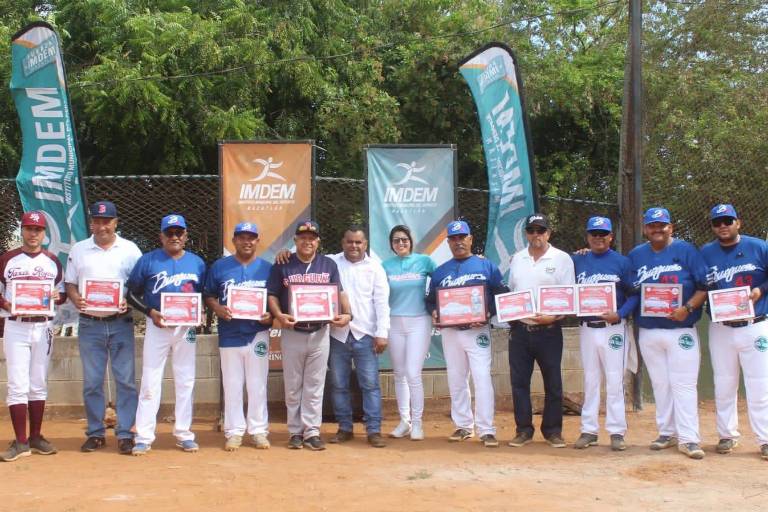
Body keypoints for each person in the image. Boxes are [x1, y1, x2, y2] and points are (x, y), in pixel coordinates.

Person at [629, 207, 708, 460]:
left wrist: (687, 308)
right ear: (645, 229)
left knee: (683, 385)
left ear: (670, 228)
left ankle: (689, 438)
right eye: (652, 225)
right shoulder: (636, 255)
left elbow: (704, 286)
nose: (657, 229)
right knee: (661, 384)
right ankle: (666, 432)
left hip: (681, 329)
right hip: (649, 331)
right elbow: (628, 288)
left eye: (662, 225)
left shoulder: (686, 250)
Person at [64, 201, 142, 455]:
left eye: (106, 221)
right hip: (90, 324)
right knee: (92, 382)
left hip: (121, 323)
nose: (101, 226)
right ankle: (96, 433)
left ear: (116, 222)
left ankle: (125, 434)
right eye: (97, 221)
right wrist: (76, 299)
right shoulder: (79, 249)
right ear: (91, 224)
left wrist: (127, 301)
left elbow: (139, 286)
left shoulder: (130, 250)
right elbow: (70, 284)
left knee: (126, 381)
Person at [267, 220, 350, 451]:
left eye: (312, 237)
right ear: (295, 241)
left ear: (318, 241)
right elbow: (272, 294)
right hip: (292, 331)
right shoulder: (283, 263)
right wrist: (279, 315)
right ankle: (295, 432)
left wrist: (348, 314)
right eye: (303, 237)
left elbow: (339, 292)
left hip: (320, 331)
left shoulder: (328, 264)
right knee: (293, 385)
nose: (307, 241)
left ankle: (312, 431)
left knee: (315, 384)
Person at [126, 214, 206, 456]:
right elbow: (130, 294)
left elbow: (204, 295)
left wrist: (201, 313)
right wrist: (150, 312)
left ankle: (183, 433)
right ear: (161, 236)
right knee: (151, 379)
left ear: (185, 236)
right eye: (169, 233)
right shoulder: (148, 261)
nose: (174, 237)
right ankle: (144, 436)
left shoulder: (197, 263)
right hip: (157, 326)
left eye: (178, 232)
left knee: (186, 379)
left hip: (186, 329)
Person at [426, 220, 508, 448]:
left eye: (462, 237)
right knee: (456, 378)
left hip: (477, 331)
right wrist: (434, 312)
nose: (458, 242)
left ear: (470, 239)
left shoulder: (486, 267)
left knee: (482, 378)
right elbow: (430, 301)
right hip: (451, 332)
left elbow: (501, 293)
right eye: (453, 238)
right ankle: (463, 425)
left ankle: (486, 429)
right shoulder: (441, 271)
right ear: (448, 242)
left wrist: (488, 312)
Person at [700, 204, 768, 461]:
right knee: (724, 383)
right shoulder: (706, 252)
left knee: (760, 384)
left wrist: (761, 290)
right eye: (717, 222)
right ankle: (727, 435)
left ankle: (765, 439)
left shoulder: (759, 247)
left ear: (738, 222)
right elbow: (698, 283)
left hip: (756, 323)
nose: (723, 226)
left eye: (728, 221)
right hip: (722, 328)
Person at [0, 211, 65, 462]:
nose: (33, 233)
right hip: (16, 325)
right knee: (17, 384)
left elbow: (61, 294)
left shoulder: (52, 262)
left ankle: (36, 436)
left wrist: (55, 298)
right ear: (22, 230)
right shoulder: (7, 259)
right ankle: (21, 441)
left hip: (44, 326)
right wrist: (6, 305)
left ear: (44, 233)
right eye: (29, 228)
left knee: (38, 382)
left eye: (38, 229)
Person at [507, 213, 575, 449]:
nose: (536, 235)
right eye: (532, 230)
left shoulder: (562, 258)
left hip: (550, 331)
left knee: (553, 382)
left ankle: (553, 431)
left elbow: (569, 297)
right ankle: (523, 430)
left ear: (548, 233)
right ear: (526, 233)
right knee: (519, 383)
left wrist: (553, 317)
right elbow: (511, 294)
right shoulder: (517, 259)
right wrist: (512, 315)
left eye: (541, 230)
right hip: (520, 331)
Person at [204, 222, 273, 451]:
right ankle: (234, 431)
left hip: (257, 332)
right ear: (234, 241)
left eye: (251, 237)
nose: (247, 241)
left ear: (257, 241)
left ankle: (258, 430)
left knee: (257, 384)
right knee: (233, 384)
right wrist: (217, 308)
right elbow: (209, 295)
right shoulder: (220, 267)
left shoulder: (267, 268)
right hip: (230, 333)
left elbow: (275, 300)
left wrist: (270, 316)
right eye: (242, 237)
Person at [571, 216, 638, 451]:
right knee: (590, 380)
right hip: (587, 328)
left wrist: (620, 314)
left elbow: (634, 295)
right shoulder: (577, 260)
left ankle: (617, 431)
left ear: (611, 236)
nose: (598, 238)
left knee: (614, 381)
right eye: (594, 234)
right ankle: (588, 430)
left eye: (603, 234)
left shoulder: (622, 262)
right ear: (587, 237)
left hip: (613, 329)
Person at [327, 226, 390, 448]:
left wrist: (382, 333)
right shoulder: (330, 262)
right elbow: (303, 255)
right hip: (337, 335)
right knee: (338, 384)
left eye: (358, 242)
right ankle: (345, 428)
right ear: (342, 242)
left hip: (365, 334)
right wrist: (283, 254)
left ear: (365, 244)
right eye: (350, 242)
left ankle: (373, 430)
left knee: (370, 385)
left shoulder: (375, 267)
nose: (354, 246)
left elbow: (381, 302)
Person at [381, 225, 436, 441]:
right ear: (391, 244)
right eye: (396, 240)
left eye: (404, 239)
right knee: (399, 373)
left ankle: (418, 423)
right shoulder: (385, 266)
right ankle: (405, 421)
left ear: (411, 241)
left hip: (419, 321)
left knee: (413, 373)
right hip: (394, 322)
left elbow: (443, 281)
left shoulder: (425, 261)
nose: (401, 243)